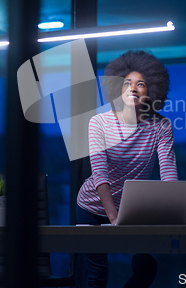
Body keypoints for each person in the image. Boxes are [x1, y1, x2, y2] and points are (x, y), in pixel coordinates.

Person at [76, 50, 178, 288]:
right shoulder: (99, 122)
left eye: (140, 84)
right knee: (97, 276)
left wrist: (177, 218)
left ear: (152, 89)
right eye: (127, 83)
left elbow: (168, 174)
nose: (133, 88)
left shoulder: (161, 126)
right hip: (92, 207)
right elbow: (99, 173)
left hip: (131, 211)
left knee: (146, 267)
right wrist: (113, 217)